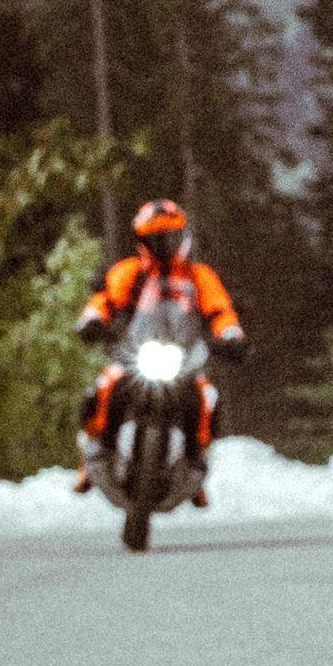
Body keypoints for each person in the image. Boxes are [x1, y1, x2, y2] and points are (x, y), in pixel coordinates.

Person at [74, 198, 245, 505]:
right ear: (142, 241)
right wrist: (93, 320)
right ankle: (92, 457)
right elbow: (106, 300)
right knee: (103, 389)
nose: (164, 245)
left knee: (206, 399)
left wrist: (231, 336)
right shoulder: (131, 272)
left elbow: (220, 311)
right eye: (156, 239)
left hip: (185, 360)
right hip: (135, 355)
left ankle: (196, 462)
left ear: (182, 236)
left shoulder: (198, 276)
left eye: (171, 237)